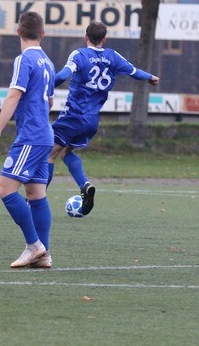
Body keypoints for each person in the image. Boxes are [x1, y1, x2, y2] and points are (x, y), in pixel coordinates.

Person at [48, 21, 158, 215]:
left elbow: (63, 75)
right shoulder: (112, 56)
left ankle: (35, 200)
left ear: (86, 37)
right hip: (91, 121)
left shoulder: (79, 55)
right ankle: (85, 186)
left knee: (48, 154)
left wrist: (44, 87)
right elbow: (134, 71)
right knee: (64, 152)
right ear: (104, 39)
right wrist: (150, 77)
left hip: (73, 116)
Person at [0, 11, 56, 268]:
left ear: (18, 32)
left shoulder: (24, 59)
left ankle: (34, 245)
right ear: (42, 33)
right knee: (36, 194)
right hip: (45, 135)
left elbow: (14, 96)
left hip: (31, 137)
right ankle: (44, 254)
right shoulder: (48, 62)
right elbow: (50, 101)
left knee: (6, 189)